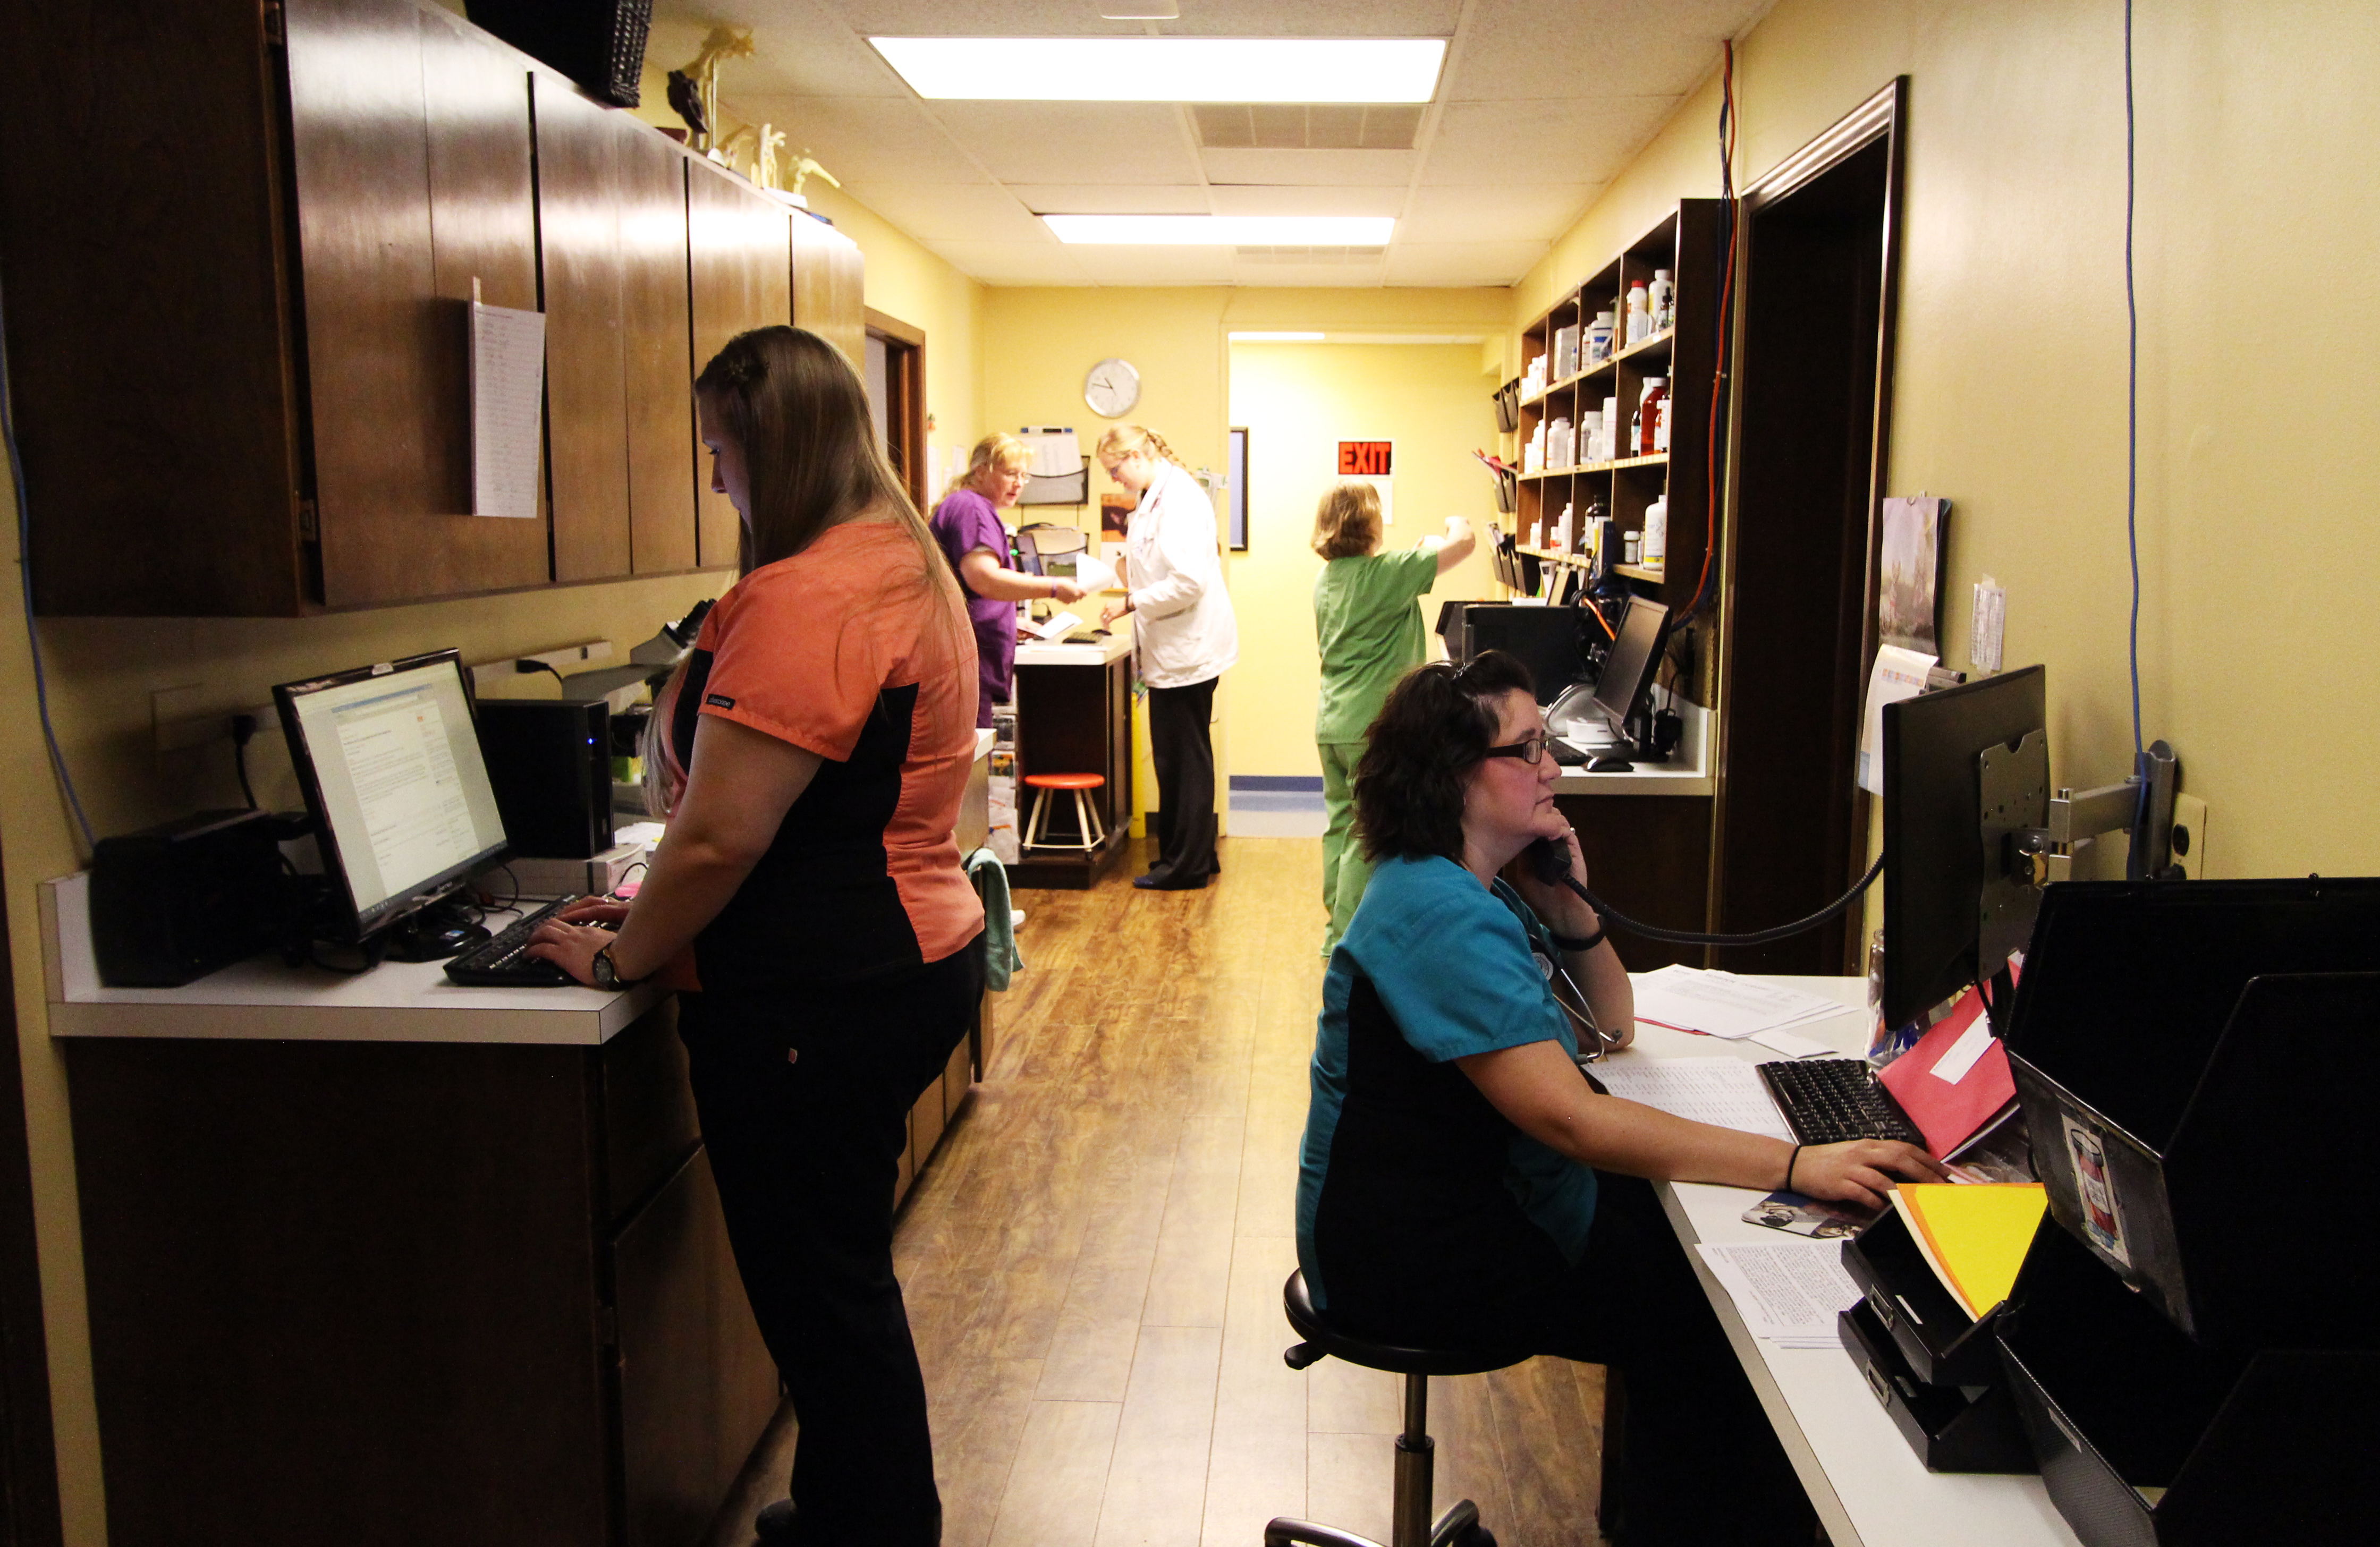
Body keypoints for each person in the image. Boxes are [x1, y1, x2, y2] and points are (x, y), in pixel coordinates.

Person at [1296, 650, 1947, 1546]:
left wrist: (1567, 902)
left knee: (1689, 1287)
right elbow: (1572, 1116)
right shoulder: (1434, 912)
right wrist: (1797, 1161)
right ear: (1452, 777)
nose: (1552, 767)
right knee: (1705, 1328)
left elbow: (1612, 1023)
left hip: (1467, 1201)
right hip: (1403, 1256)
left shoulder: (1474, 885)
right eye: (1525, 750)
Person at [526, 325, 984, 1547]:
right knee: (836, 1280)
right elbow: (776, 823)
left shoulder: (805, 595)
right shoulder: (902, 562)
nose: (717, 480)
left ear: (767, 451)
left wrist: (624, 951)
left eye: (721, 455)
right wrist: (652, 908)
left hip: (816, 1000)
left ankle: (874, 1530)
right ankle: (844, 1508)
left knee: (823, 1302)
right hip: (906, 957)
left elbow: (722, 839)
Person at [1310, 483, 1475, 951]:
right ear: (1368, 523)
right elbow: (1462, 542)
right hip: (1372, 727)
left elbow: (1396, 579)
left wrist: (1421, 554)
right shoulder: (1388, 573)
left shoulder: (1329, 579)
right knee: (1369, 833)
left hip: (1332, 721)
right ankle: (1351, 939)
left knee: (1340, 825)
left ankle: (1333, 932)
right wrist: (1452, 523)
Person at [1096, 424, 1238, 890]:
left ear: (1137, 454)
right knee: (1181, 758)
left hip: (1187, 652)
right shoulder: (1156, 496)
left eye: (1115, 469)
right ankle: (1189, 856)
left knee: (1184, 760)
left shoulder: (1177, 499)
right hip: (1175, 651)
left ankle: (1186, 866)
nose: (1115, 479)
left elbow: (1188, 583)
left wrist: (1130, 602)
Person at [929, 432, 1091, 727]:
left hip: (968, 655)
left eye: (1024, 476)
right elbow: (983, 578)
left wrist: (1009, 622)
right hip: (965, 660)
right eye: (1011, 474)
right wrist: (1055, 587)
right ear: (980, 472)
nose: (1019, 483)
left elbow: (969, 589)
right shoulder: (972, 508)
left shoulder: (967, 506)